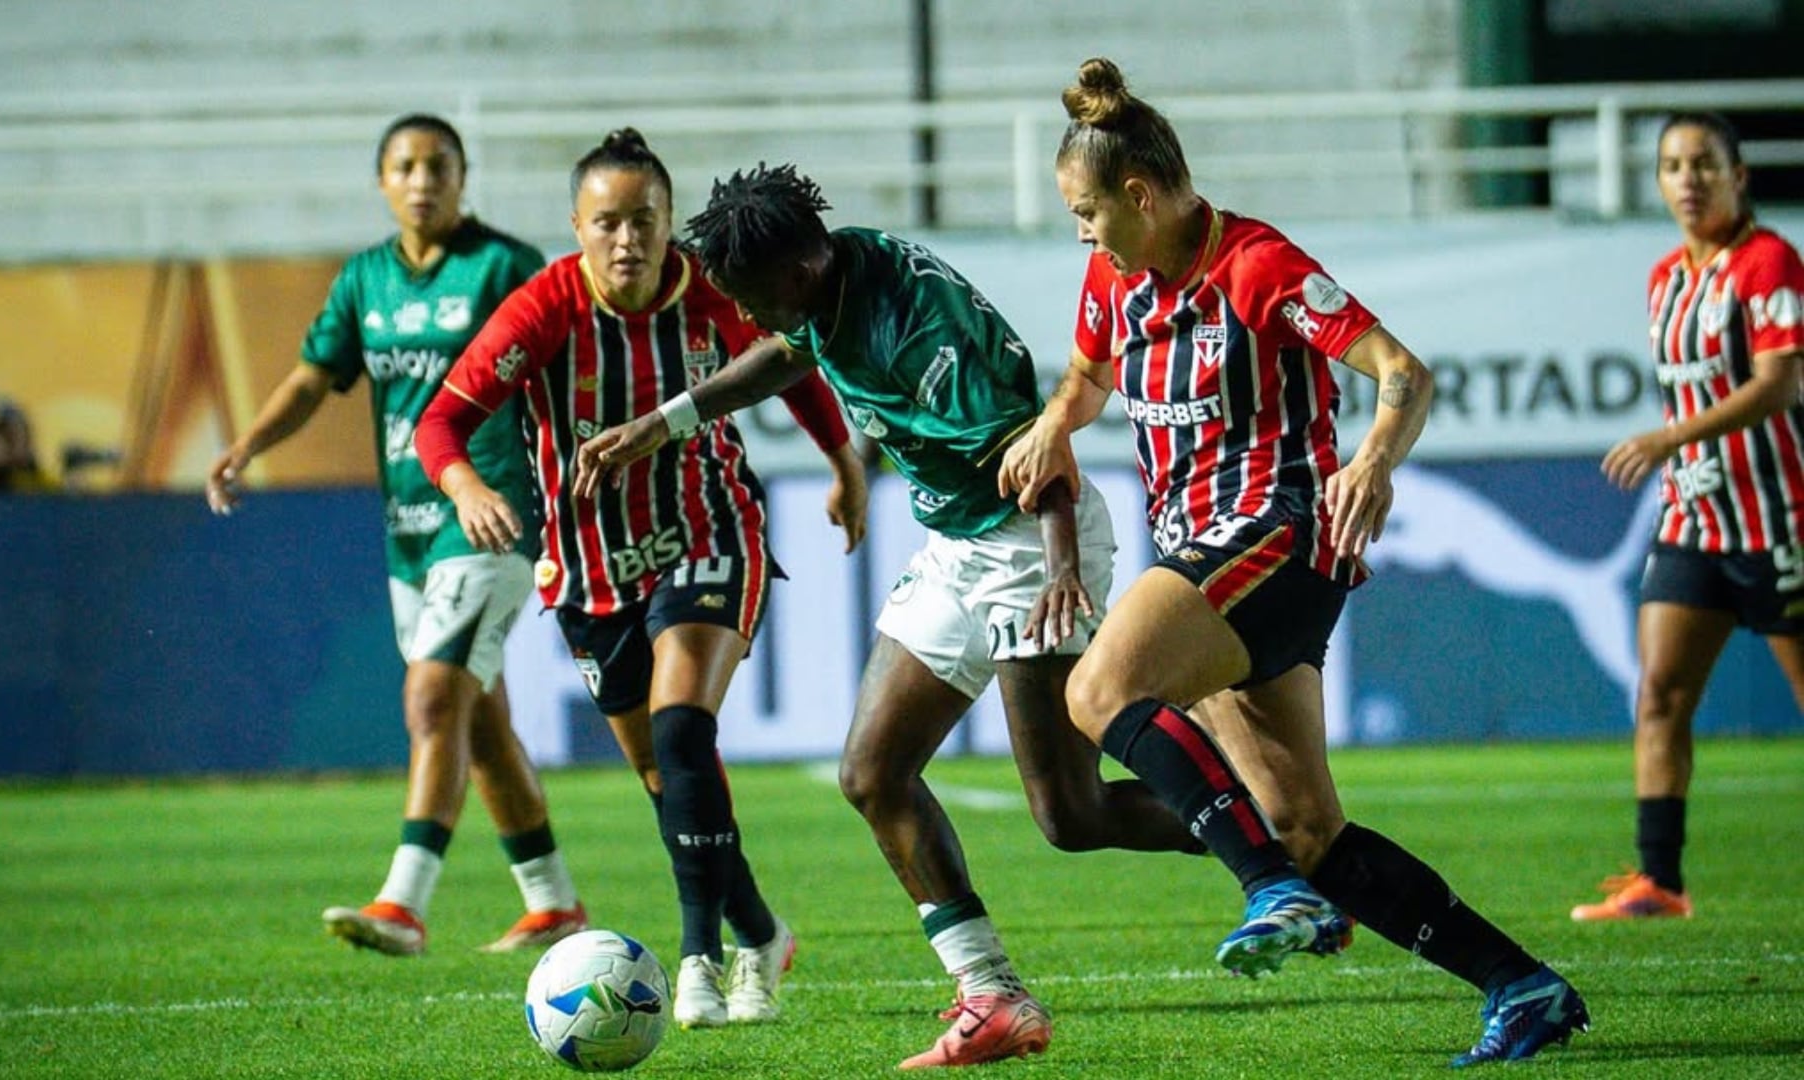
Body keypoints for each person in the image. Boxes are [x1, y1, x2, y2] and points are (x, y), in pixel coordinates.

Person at [571, 163, 1349, 1070]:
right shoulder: (826, 279)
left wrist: (1060, 573)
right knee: (871, 772)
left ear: (796, 271)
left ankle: (1283, 844)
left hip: (1030, 542)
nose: (743, 315)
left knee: (1070, 812)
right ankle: (992, 992)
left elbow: (1040, 449)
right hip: (957, 545)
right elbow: (796, 352)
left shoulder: (926, 333)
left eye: (748, 296)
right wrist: (665, 422)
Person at [998, 58, 1590, 1067]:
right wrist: (1057, 425)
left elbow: (1403, 374)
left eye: (1088, 211)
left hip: (1271, 534)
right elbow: (1088, 375)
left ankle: (1270, 890)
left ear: (1140, 195)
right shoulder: (1116, 276)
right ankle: (1522, 984)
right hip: (1210, 554)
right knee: (1304, 822)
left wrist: (1372, 459)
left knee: (1098, 690)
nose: (1082, 233)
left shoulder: (1259, 265)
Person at [413, 129, 867, 1030]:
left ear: (670, 223)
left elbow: (790, 360)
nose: (628, 240)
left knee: (681, 725)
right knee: (669, 776)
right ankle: (761, 932)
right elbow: (442, 425)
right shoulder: (541, 310)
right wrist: (465, 488)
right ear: (576, 227)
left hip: (710, 532)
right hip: (590, 570)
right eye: (608, 222)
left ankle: (701, 961)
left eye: (646, 221)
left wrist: (842, 460)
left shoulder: (711, 292)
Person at [205, 113, 587, 957]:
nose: (423, 180)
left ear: (463, 177)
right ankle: (553, 901)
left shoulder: (504, 267)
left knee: (430, 697)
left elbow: (569, 365)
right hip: (407, 530)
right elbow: (315, 377)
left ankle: (404, 903)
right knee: (478, 721)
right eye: (406, 166)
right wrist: (247, 446)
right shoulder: (365, 281)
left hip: (488, 517)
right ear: (382, 182)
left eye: (439, 166)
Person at [1572, 112, 1804, 922]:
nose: (1688, 180)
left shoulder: (1770, 260)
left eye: (1704, 163)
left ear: (1739, 176)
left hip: (1780, 518)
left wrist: (1670, 436)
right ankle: (1660, 881)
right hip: (1693, 520)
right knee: (1662, 694)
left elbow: (1779, 384)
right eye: (1673, 165)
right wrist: (1682, 456)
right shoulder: (1667, 277)